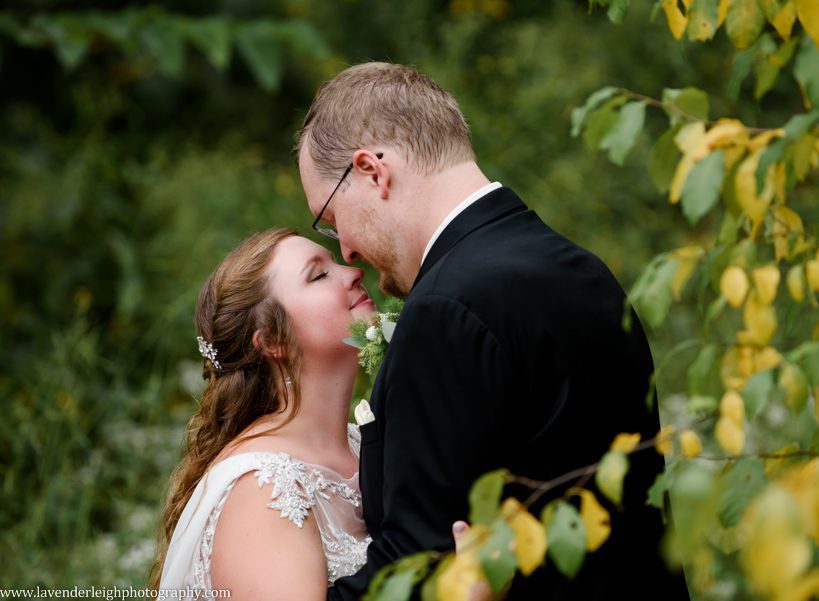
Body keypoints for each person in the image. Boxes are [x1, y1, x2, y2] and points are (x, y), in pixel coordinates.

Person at [296, 62, 691, 600]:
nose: (346, 250)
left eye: (331, 217)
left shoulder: (446, 310)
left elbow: (420, 567)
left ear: (371, 171)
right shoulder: (581, 269)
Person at [151, 228, 377, 599]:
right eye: (319, 274)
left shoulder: (363, 443)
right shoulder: (263, 490)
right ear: (272, 341)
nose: (353, 272)